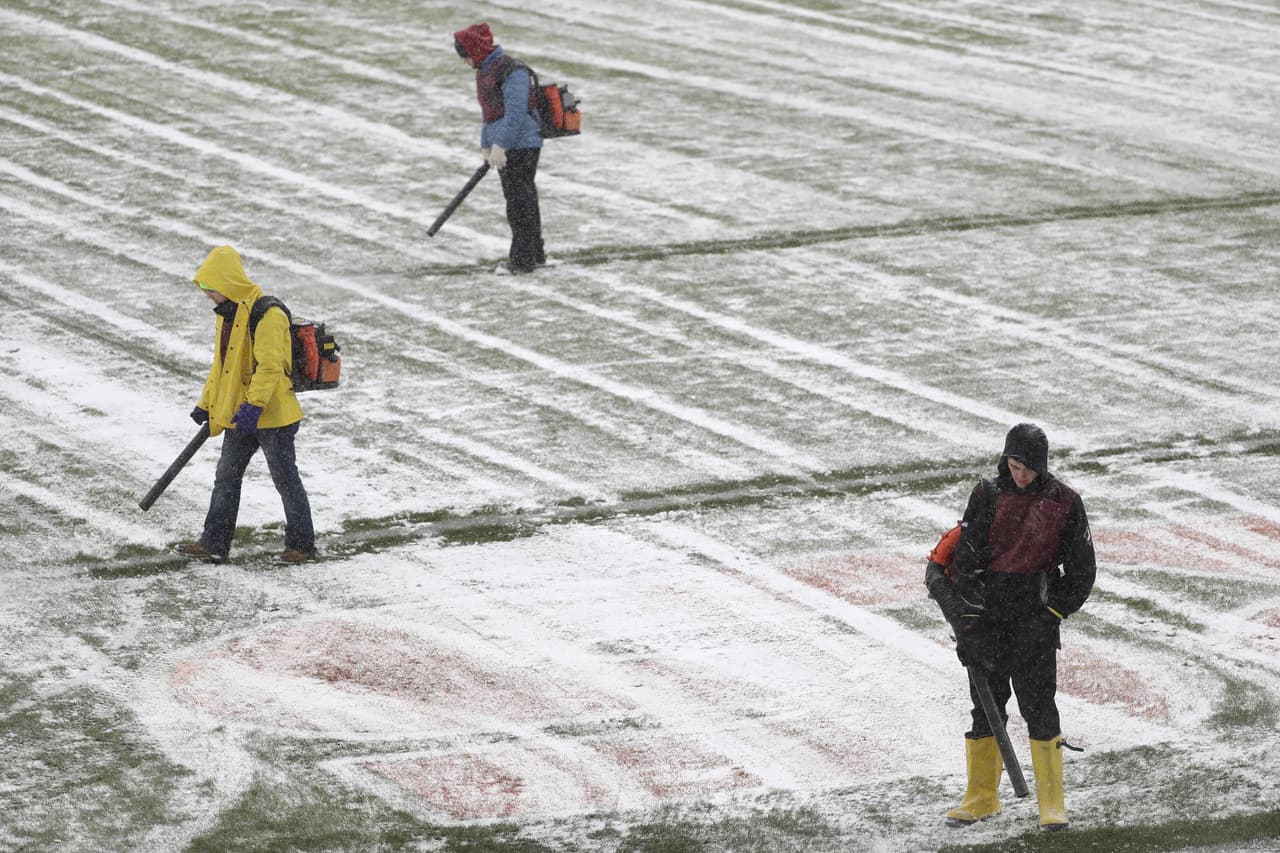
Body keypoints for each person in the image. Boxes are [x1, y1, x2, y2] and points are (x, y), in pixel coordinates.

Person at [925, 423, 1095, 831]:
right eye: (1014, 465)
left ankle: (1051, 804)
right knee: (986, 707)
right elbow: (965, 563)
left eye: (1028, 468)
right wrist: (969, 624)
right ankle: (981, 797)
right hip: (987, 619)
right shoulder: (985, 495)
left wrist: (1051, 614)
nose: (1020, 474)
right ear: (1005, 460)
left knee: (1038, 707)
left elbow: (1082, 571)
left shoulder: (1065, 502)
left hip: (1035, 620)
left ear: (1042, 467)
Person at [175, 246, 316, 565]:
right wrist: (206, 404)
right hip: (242, 416)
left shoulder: (268, 314)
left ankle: (302, 546)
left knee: (285, 481)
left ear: (228, 284)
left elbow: (269, 368)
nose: (209, 297)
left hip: (273, 416)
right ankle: (213, 544)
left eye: (212, 290)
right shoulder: (228, 316)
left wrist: (254, 406)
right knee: (226, 478)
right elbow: (222, 366)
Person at [453, 22, 546, 275]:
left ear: (476, 51)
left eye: (466, 56)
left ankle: (522, 260)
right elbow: (490, 113)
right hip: (506, 145)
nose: (465, 62)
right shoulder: (486, 70)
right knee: (522, 199)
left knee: (519, 203)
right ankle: (534, 253)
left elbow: (515, 114)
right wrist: (486, 144)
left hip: (523, 143)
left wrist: (500, 145)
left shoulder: (511, 71)